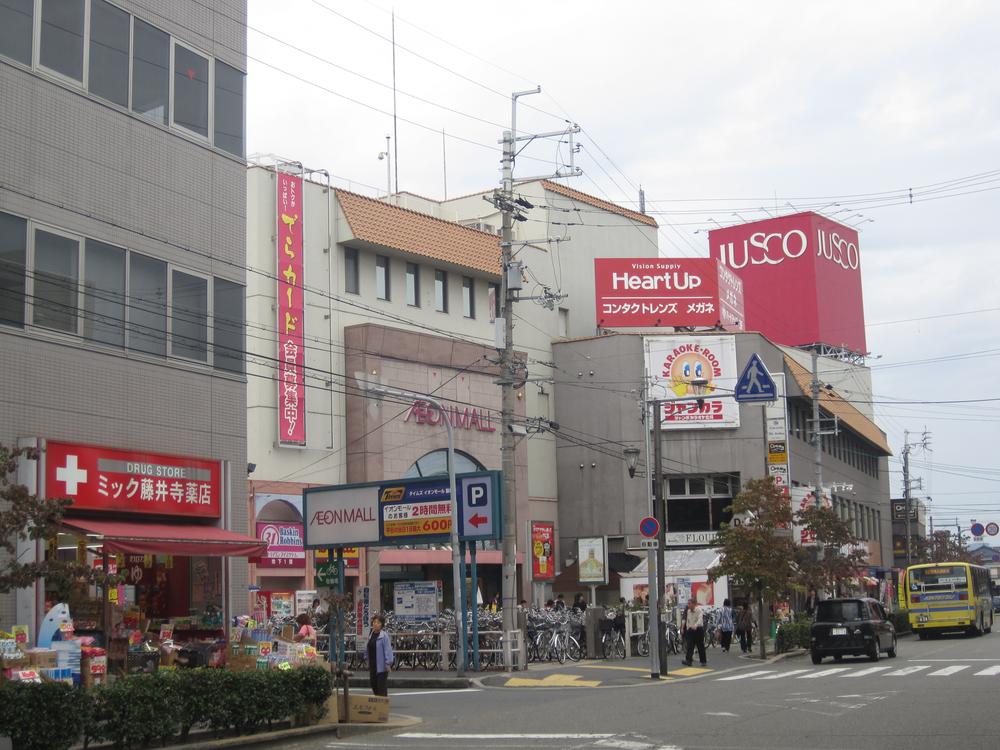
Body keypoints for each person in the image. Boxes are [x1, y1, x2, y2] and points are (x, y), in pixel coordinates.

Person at [367, 614, 394, 697]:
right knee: (373, 684)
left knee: (381, 687)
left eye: (378, 622)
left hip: (381, 666)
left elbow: (388, 650)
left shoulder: (384, 636)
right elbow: (368, 647)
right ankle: (379, 703)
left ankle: (382, 705)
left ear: (381, 624)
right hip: (372, 665)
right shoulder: (371, 635)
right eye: (374, 622)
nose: (375, 624)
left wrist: (388, 663)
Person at [680, 599, 707, 667]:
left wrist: (696, 625)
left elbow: (700, 619)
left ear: (694, 604)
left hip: (698, 629)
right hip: (691, 630)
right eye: (688, 603)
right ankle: (688, 660)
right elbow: (688, 620)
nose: (688, 605)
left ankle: (703, 661)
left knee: (700, 645)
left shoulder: (699, 610)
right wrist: (688, 628)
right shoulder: (688, 611)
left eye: (689, 603)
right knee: (690, 645)